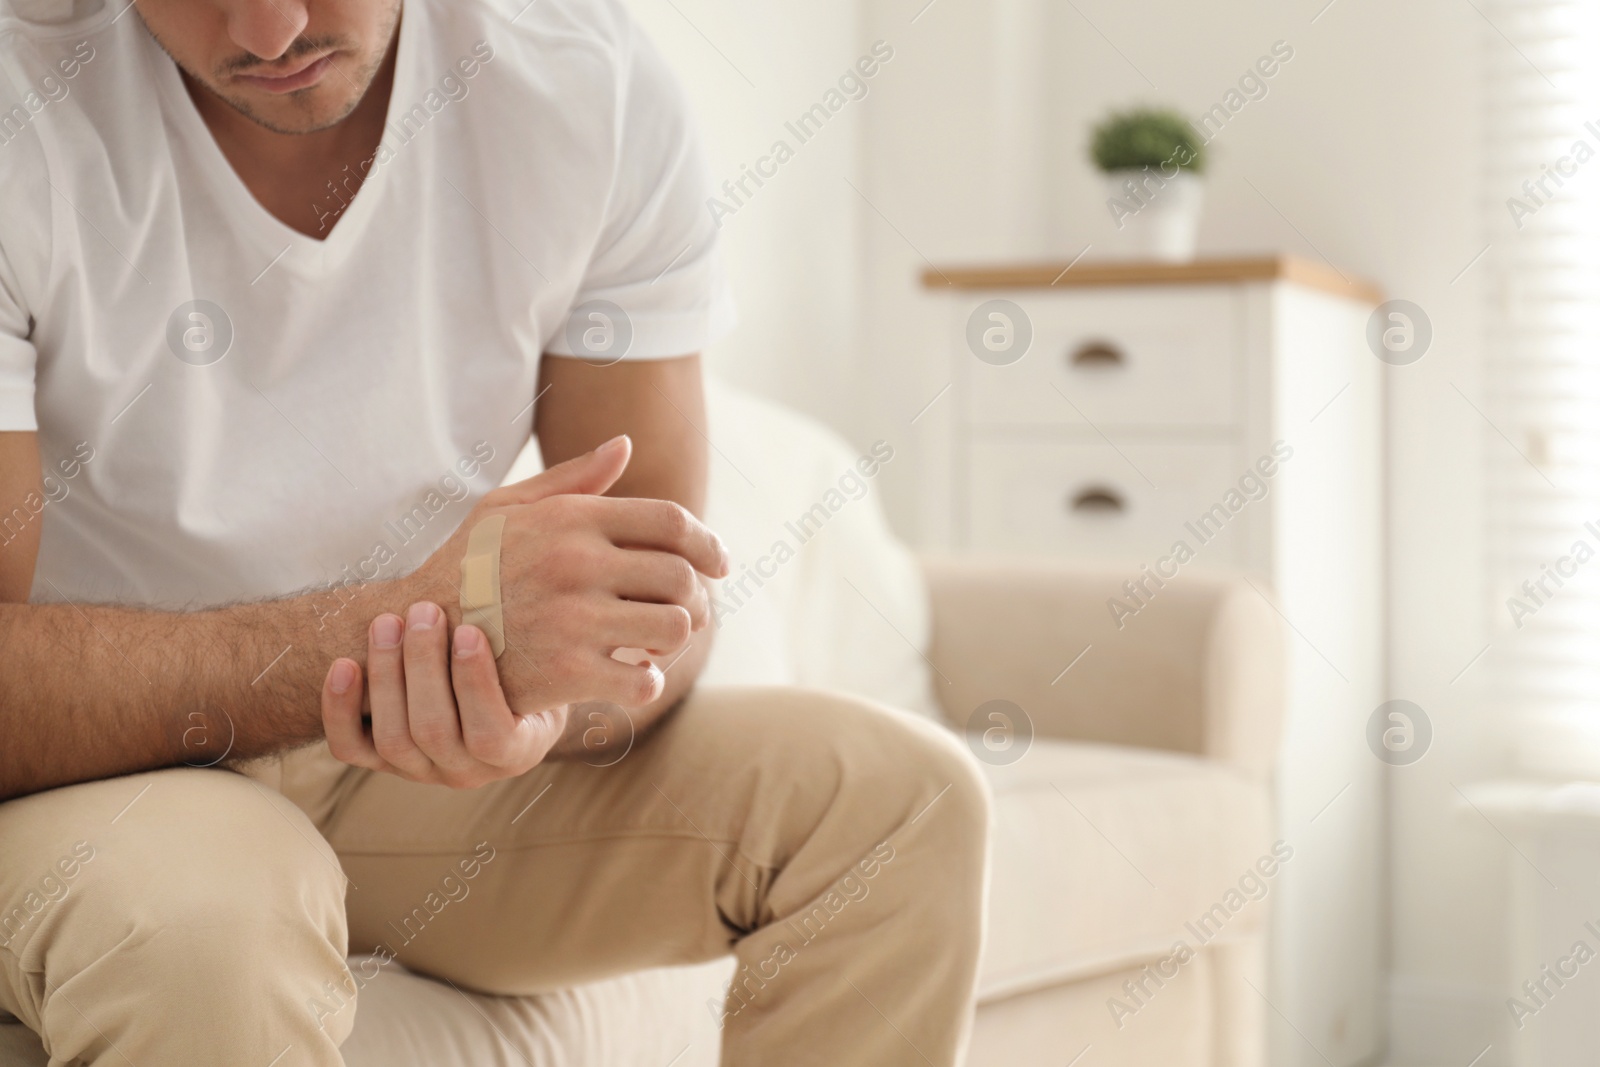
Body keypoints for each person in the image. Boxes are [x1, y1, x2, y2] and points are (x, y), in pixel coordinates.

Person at [0, 0, 990, 1063]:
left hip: (406, 774)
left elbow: (659, 592)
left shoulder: (577, 79)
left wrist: (543, 702)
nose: (269, 28)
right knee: (206, 919)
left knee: (897, 803)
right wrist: (390, 634)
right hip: (97, 774)